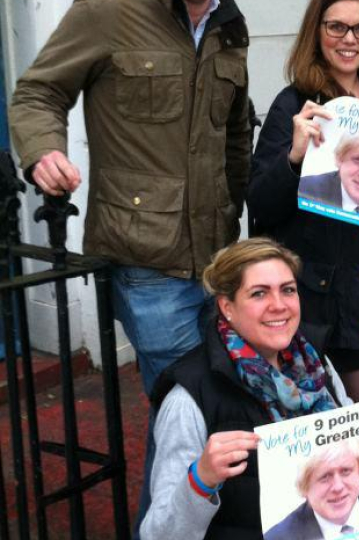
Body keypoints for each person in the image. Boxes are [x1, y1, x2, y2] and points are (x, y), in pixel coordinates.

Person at [8, 0, 250, 534]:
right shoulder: (106, 10)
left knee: (191, 414)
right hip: (147, 262)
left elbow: (234, 135)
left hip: (217, 260)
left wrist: (233, 215)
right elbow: (38, 91)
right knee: (192, 410)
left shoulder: (229, 24)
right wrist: (43, 150)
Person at [140, 238, 359, 540]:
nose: (279, 304)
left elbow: (358, 438)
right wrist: (201, 479)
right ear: (227, 307)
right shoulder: (189, 398)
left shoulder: (315, 362)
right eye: (259, 293)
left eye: (288, 290)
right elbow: (158, 534)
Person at [248, 0, 359, 402]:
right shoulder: (293, 103)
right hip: (329, 288)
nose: (350, 39)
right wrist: (294, 157)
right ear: (317, 31)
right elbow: (261, 203)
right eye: (337, 27)